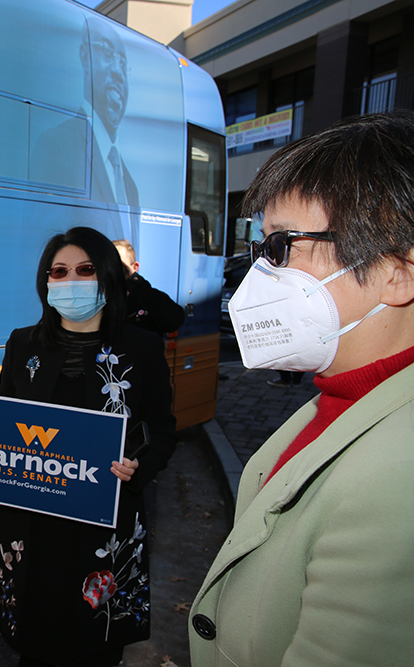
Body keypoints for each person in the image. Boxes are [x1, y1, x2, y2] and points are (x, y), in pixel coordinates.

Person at [190, 111, 414, 666]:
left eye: (282, 245)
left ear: (399, 274)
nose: (261, 274)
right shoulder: (340, 397)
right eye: (261, 247)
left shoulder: (399, 478)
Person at [0, 226, 177, 667]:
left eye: (85, 269)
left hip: (104, 529)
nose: (71, 280)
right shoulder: (23, 342)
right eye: (59, 271)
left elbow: (162, 429)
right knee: (35, 643)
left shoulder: (141, 348)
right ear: (46, 281)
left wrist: (141, 464)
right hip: (32, 530)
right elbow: (1, 425)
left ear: (108, 276)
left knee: (95, 647)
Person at [32, 18, 139, 244]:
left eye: (123, 63)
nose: (118, 72)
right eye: (107, 53)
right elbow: (40, 243)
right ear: (85, 58)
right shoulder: (56, 145)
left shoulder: (130, 184)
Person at [113, 239, 185, 335]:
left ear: (135, 267)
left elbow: (174, 321)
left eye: (120, 265)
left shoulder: (146, 299)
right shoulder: (100, 299)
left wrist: (133, 280)